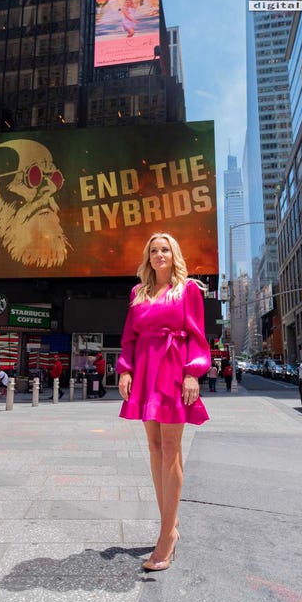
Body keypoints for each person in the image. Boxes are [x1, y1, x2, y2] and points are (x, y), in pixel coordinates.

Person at [117, 232, 210, 572]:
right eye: (154, 250)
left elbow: (198, 336)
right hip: (144, 370)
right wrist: (125, 371)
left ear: (174, 255)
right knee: (154, 448)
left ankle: (166, 536)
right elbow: (129, 337)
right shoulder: (136, 293)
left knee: (171, 449)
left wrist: (191, 373)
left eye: (165, 249)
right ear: (148, 257)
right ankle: (169, 525)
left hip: (173, 369)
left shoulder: (188, 290)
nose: (159, 255)